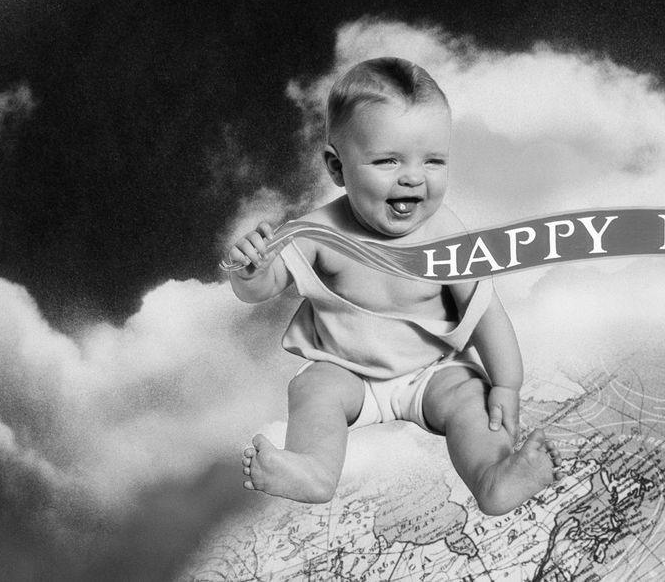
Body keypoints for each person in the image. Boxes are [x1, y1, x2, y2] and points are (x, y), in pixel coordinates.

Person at [227, 58, 561, 515]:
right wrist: (251, 271)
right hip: (347, 371)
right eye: (387, 161)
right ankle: (314, 470)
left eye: (434, 161)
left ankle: (493, 477)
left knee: (472, 396)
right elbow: (264, 287)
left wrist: (507, 385)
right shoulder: (319, 233)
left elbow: (487, 313)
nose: (413, 177)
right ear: (337, 168)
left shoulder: (448, 236)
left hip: (431, 371)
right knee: (312, 391)